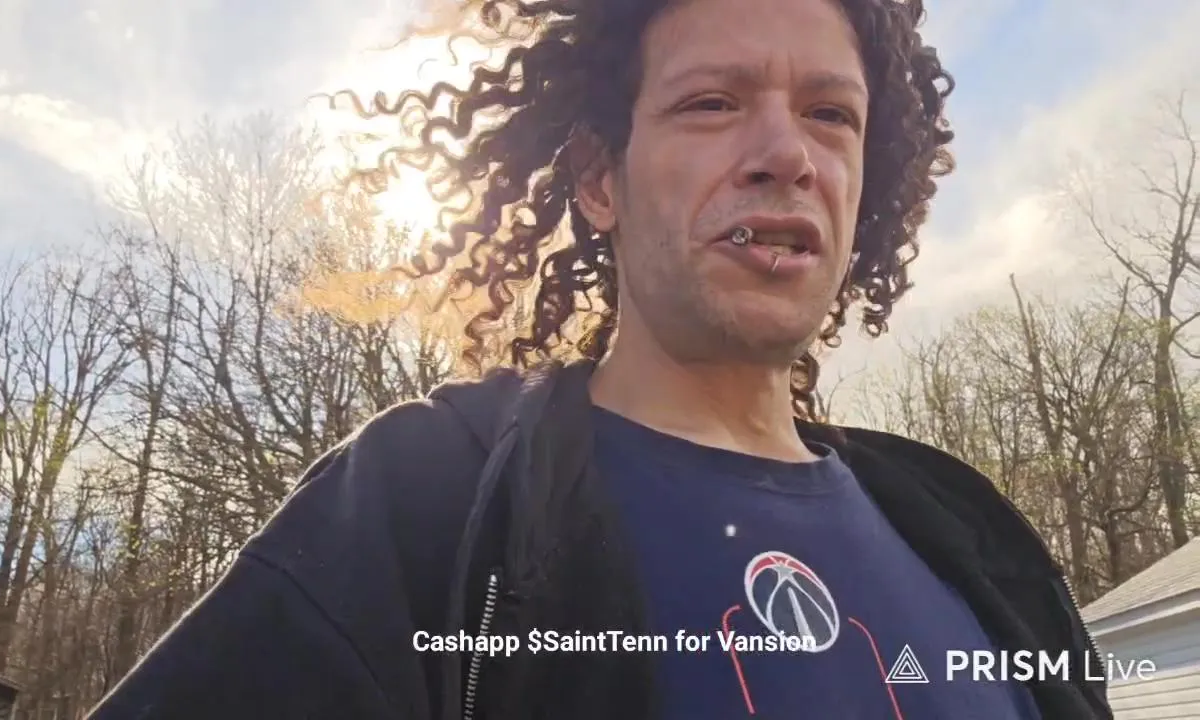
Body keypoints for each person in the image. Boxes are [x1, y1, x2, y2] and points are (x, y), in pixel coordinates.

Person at [87, 0, 1112, 717]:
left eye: (829, 115)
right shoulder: (425, 501)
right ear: (597, 180)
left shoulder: (975, 536)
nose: (786, 155)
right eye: (712, 103)